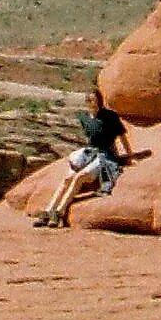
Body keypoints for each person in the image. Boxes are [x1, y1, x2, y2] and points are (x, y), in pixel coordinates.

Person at [35, 88, 132, 228]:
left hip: (105, 155)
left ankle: (58, 212)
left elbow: (121, 135)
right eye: (88, 99)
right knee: (67, 178)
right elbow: (91, 139)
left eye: (93, 99)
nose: (91, 102)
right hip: (89, 152)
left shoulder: (110, 116)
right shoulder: (84, 118)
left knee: (80, 177)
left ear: (99, 100)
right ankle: (48, 211)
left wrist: (129, 154)